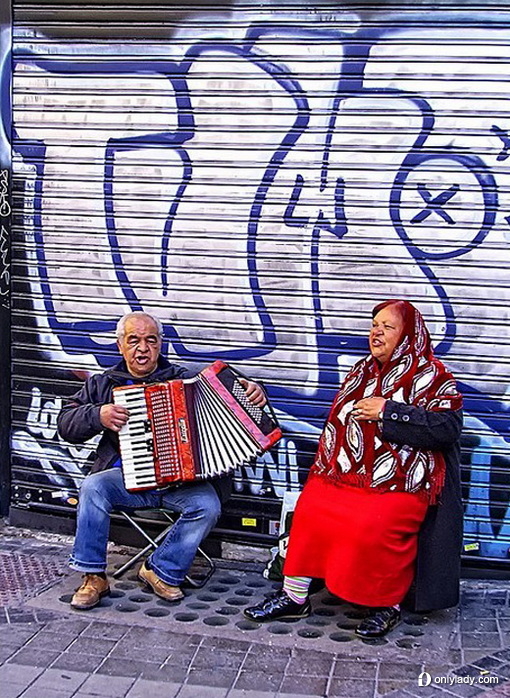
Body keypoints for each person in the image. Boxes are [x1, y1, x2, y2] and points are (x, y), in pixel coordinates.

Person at [244, 299, 463, 637]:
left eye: (387, 327)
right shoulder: (361, 370)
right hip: (346, 475)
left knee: (372, 524)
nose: (376, 332)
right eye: (374, 325)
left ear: (408, 334)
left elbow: (447, 428)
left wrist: (389, 411)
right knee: (311, 509)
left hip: (402, 481)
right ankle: (294, 596)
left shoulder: (433, 376)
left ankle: (385, 605)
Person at [57, 311, 266, 610]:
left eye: (150, 340)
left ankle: (160, 568)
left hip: (180, 483)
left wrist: (252, 391)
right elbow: (65, 424)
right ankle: (93, 577)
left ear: (160, 345)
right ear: (120, 346)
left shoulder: (184, 380)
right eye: (134, 341)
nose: (142, 348)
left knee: (207, 505)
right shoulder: (104, 384)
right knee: (93, 487)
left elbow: (231, 394)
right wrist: (98, 415)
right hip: (128, 480)